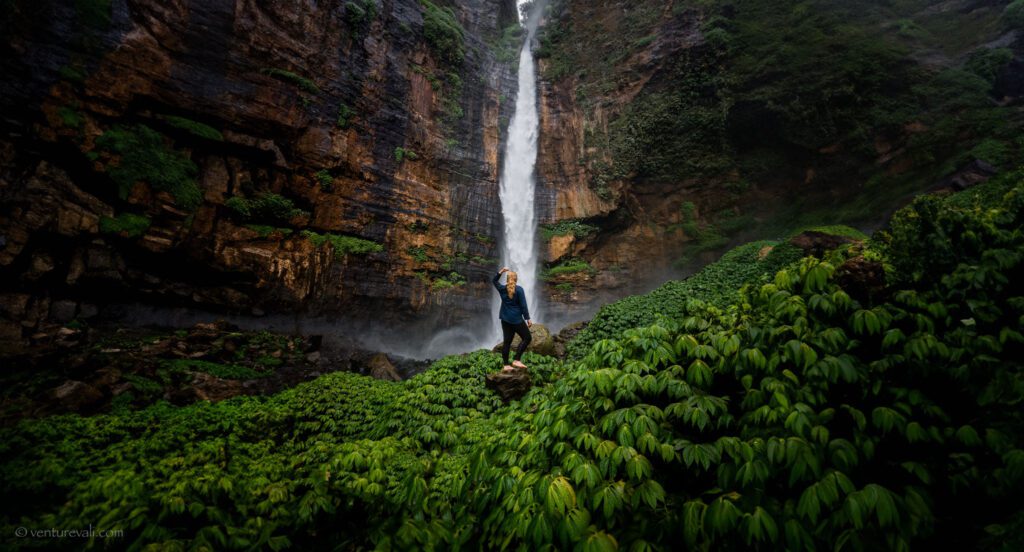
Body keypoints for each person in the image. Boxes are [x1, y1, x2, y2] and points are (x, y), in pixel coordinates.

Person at [493, 266, 532, 372]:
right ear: (516, 279)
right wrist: (527, 318)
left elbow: (494, 281)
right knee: (527, 338)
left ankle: (506, 365)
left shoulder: (502, 289)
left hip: (505, 319)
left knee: (507, 342)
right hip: (516, 320)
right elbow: (523, 305)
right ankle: (516, 359)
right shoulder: (519, 290)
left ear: (507, 279)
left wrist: (500, 271)